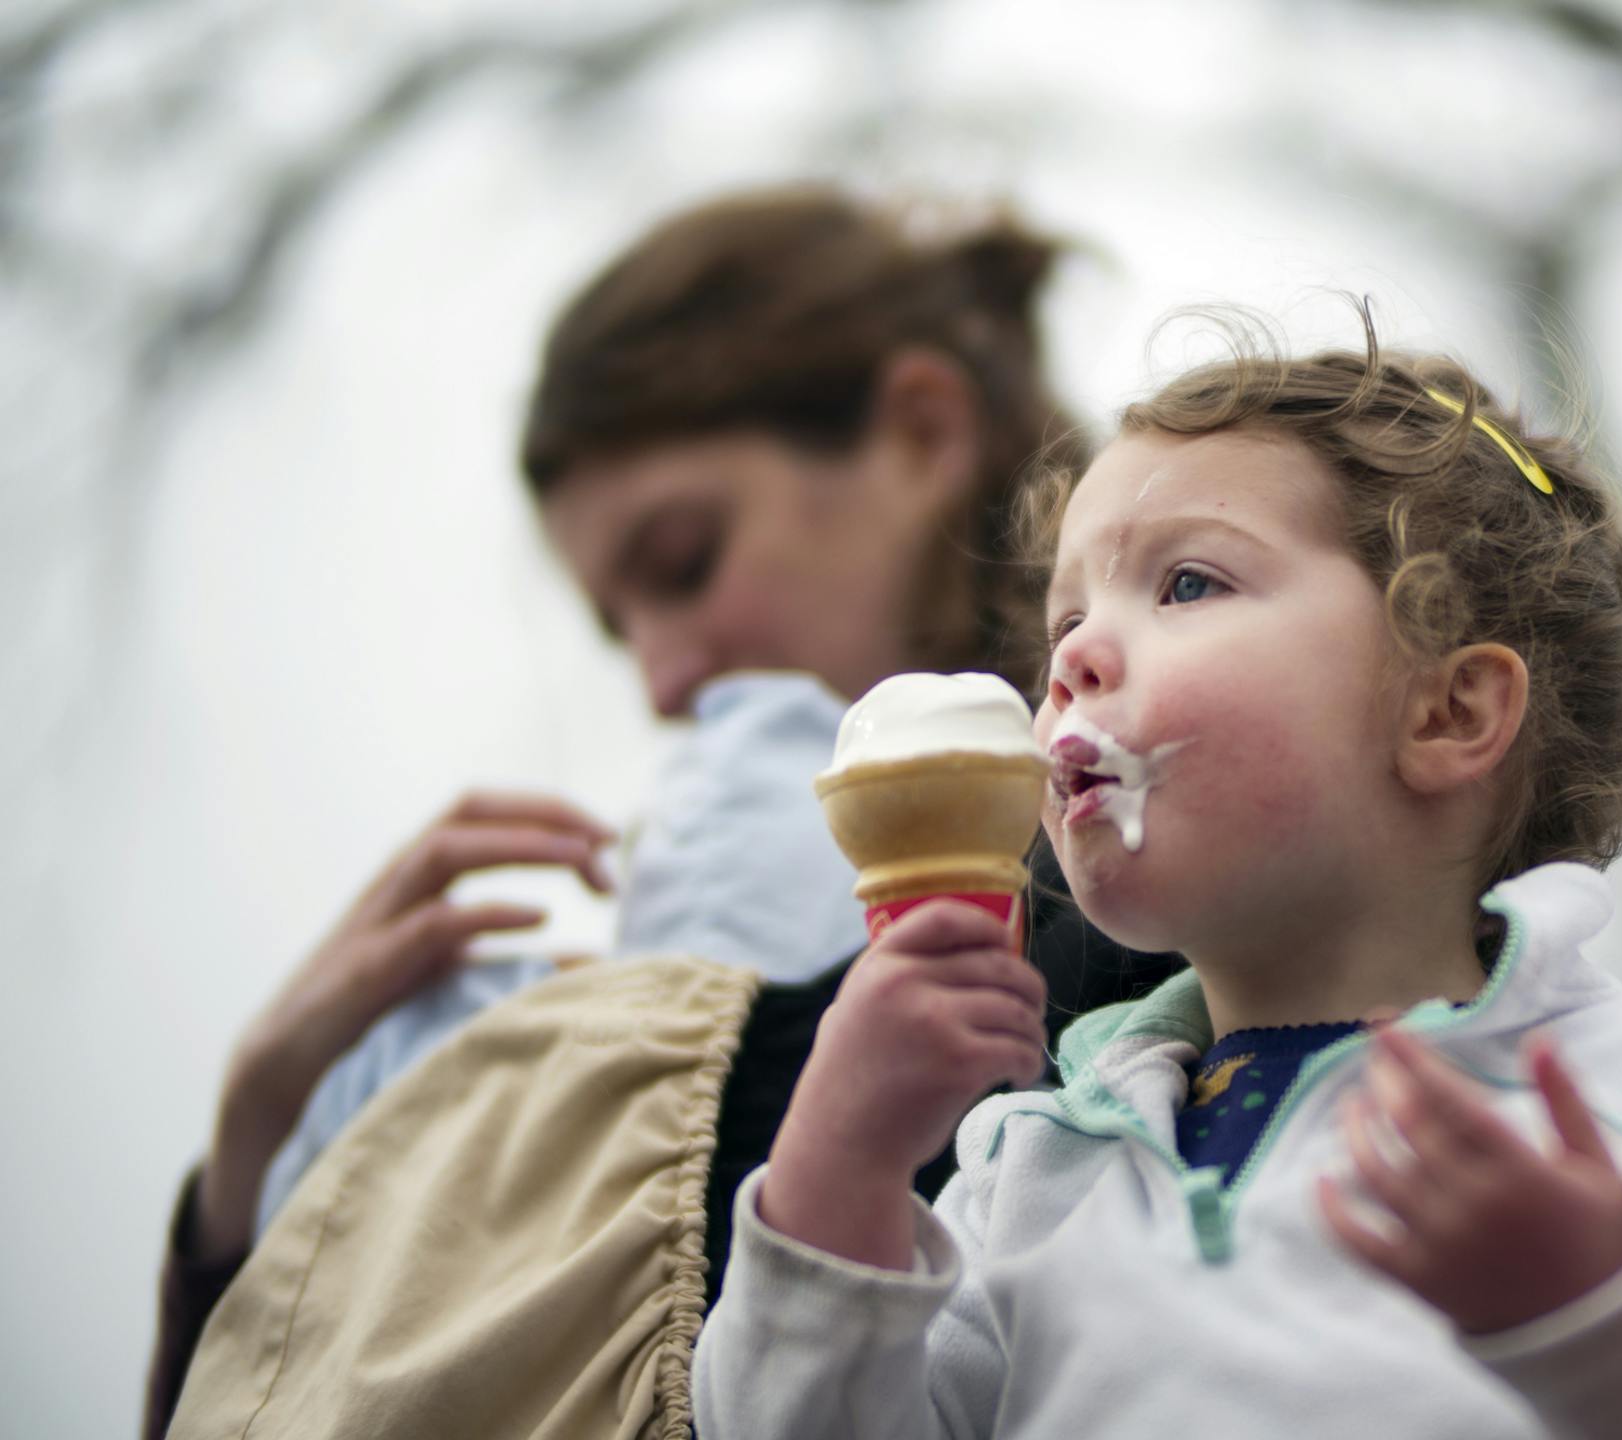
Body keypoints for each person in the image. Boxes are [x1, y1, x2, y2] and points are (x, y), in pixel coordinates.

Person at [691, 314, 1622, 1438]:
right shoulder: (1027, 1166)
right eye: (1065, 626)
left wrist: (1606, 1309)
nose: (1073, 663)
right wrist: (838, 1176)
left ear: (1448, 713)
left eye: (1186, 584)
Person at [146, 186, 1178, 1438]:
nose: (663, 679)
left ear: (919, 433)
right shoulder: (643, 943)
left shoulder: (1169, 864)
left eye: (683, 562)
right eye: (618, 627)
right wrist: (258, 1157)